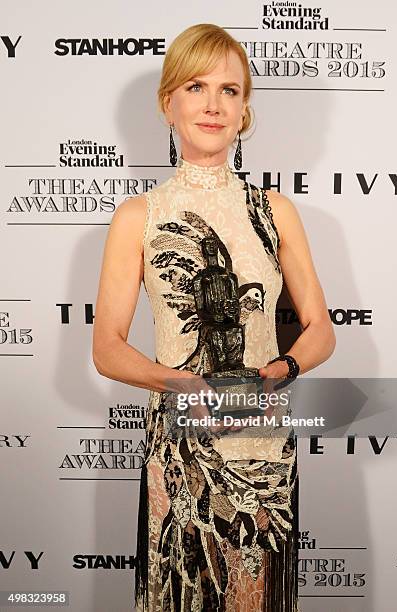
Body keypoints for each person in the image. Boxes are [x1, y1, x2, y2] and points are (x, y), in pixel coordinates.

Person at [92, 23, 335, 612]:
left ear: (245, 109)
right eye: (197, 86)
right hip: (180, 446)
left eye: (230, 90)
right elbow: (107, 348)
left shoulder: (275, 211)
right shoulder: (139, 216)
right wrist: (180, 383)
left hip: (263, 447)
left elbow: (321, 329)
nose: (213, 104)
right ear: (168, 102)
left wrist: (282, 368)